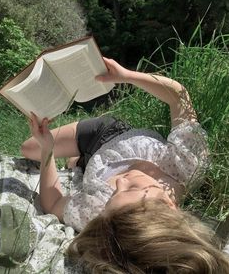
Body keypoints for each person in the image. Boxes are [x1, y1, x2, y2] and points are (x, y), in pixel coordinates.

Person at [22, 58, 229, 273]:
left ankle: (79, 162)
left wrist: (47, 149)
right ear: (169, 203)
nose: (120, 181)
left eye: (113, 196)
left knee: (32, 148)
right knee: (28, 149)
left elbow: (52, 203)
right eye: (133, 188)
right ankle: (78, 160)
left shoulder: (100, 213)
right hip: (108, 134)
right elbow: (179, 97)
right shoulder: (189, 165)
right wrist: (126, 76)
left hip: (96, 158)